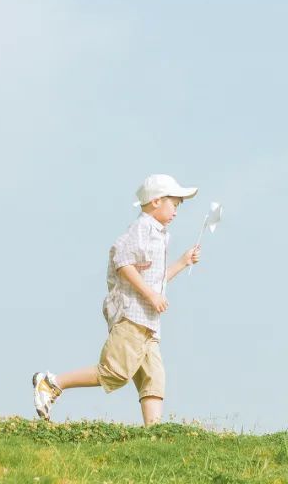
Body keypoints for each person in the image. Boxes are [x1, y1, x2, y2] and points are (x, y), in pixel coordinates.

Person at [31, 174, 202, 426]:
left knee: (153, 377)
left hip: (149, 321)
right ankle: (52, 383)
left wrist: (182, 262)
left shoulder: (160, 234)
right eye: (174, 204)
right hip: (133, 315)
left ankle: (153, 436)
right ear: (156, 201)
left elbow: (156, 280)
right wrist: (151, 295)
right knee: (115, 372)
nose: (176, 210)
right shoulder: (142, 228)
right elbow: (122, 262)